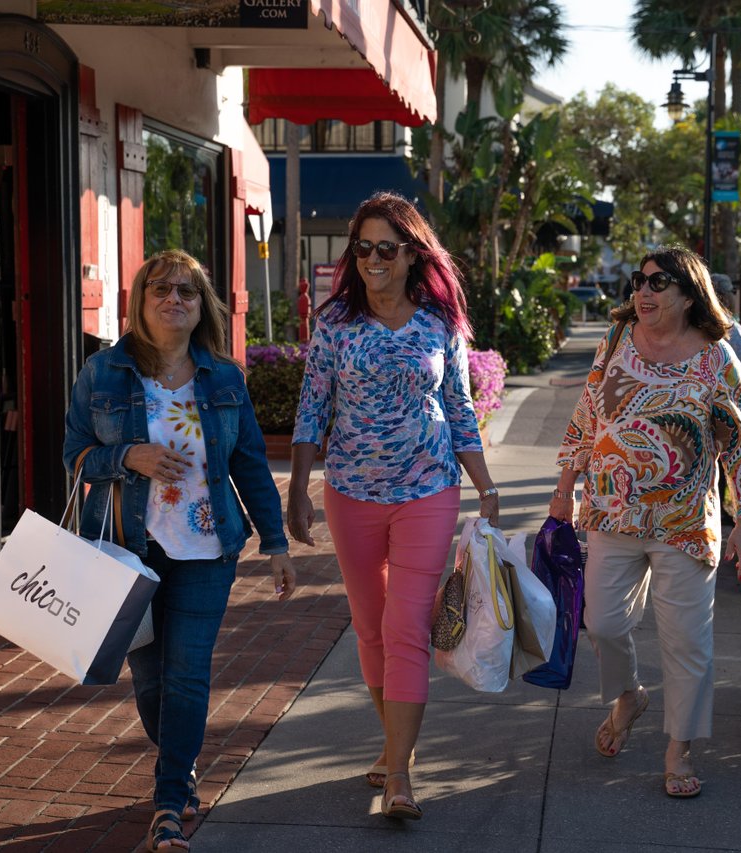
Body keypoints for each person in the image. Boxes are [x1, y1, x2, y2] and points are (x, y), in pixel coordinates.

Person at [64, 249, 296, 852]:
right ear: (140, 300)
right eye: (161, 289)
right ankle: (181, 766)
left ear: (202, 308)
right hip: (128, 549)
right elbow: (74, 456)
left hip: (206, 547)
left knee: (187, 674)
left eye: (187, 293)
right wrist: (127, 457)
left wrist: (275, 543)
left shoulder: (223, 378)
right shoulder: (103, 373)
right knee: (149, 680)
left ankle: (168, 803)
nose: (174, 300)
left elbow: (248, 462)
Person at [287, 192, 499, 821]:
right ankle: (392, 744)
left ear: (412, 254)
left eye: (387, 247)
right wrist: (298, 489)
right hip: (351, 494)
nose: (374, 258)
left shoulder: (440, 323)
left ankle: (399, 777)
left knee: (407, 628)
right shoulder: (334, 323)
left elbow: (459, 410)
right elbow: (311, 408)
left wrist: (486, 487)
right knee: (371, 625)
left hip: (428, 491)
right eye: (363, 247)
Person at [549, 245, 741, 800]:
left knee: (687, 642)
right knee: (604, 623)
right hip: (611, 512)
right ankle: (629, 697)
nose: (643, 292)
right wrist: (564, 487)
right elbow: (587, 415)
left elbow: (739, 444)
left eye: (658, 283)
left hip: (685, 523)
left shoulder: (718, 358)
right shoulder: (616, 341)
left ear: (690, 294)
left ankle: (679, 749)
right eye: (638, 282)